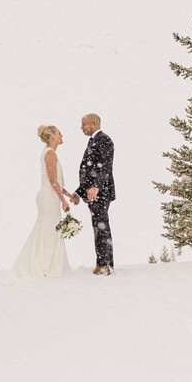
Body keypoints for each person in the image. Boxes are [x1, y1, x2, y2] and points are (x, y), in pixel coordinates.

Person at [12, 124, 75, 278]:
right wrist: (64, 201)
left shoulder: (51, 153)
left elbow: (57, 182)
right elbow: (53, 181)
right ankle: (42, 264)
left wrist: (69, 195)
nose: (62, 136)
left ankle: (48, 262)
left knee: (51, 230)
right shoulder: (50, 154)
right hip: (48, 197)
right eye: (59, 133)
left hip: (52, 196)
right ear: (52, 136)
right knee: (47, 229)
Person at [72, 113, 116, 275]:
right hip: (93, 192)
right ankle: (106, 263)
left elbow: (105, 166)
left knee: (101, 226)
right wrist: (79, 192)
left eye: (84, 124)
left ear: (94, 123)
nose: (81, 127)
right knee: (100, 225)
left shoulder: (104, 140)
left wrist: (96, 187)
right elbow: (89, 171)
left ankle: (104, 265)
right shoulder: (93, 141)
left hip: (101, 192)